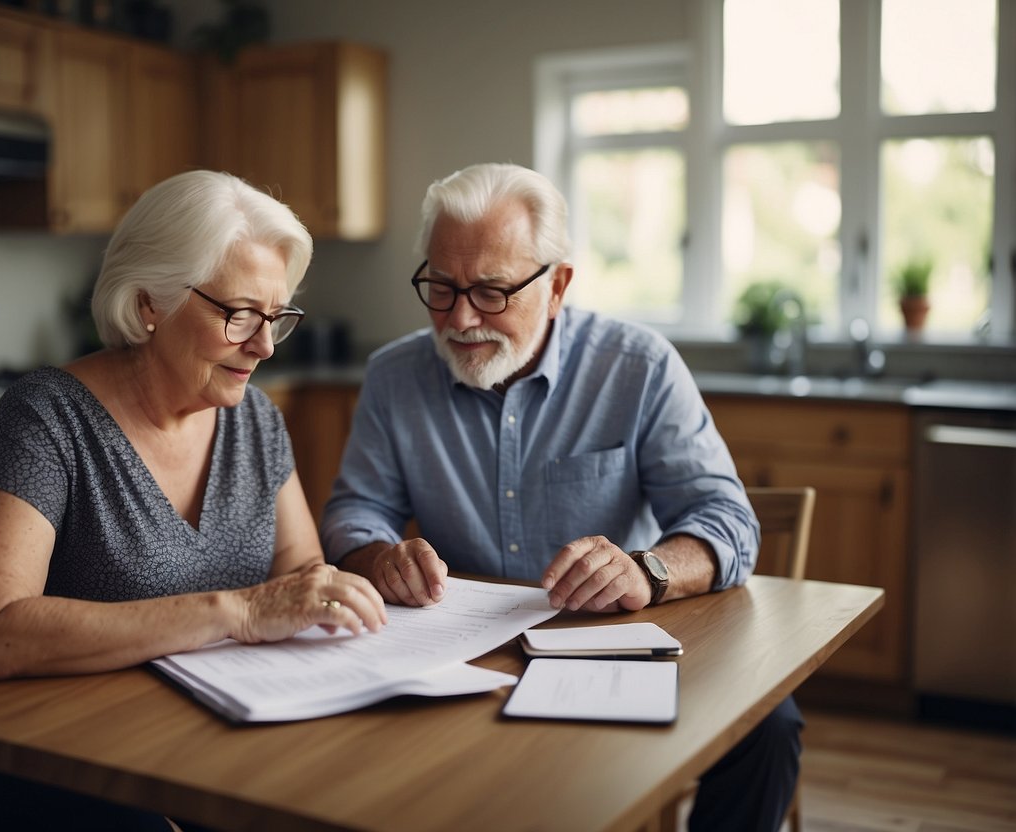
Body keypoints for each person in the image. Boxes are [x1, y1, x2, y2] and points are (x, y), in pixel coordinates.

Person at [0, 170, 386, 831]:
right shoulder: (46, 417)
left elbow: (298, 572)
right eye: (240, 314)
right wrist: (235, 612)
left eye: (276, 318)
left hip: (166, 729)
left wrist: (339, 587)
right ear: (151, 302)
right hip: (7, 749)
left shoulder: (255, 420)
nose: (264, 345)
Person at [320, 162, 802, 832]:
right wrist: (376, 555)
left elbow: (725, 520)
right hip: (462, 656)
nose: (459, 319)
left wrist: (646, 569)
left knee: (767, 730)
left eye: (490, 291)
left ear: (556, 286)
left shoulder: (637, 367)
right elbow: (354, 508)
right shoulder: (393, 376)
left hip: (614, 645)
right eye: (439, 287)